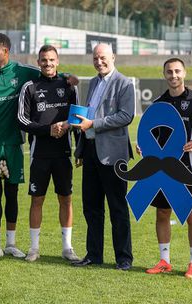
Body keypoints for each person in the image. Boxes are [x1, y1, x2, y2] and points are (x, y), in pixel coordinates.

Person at [0, 33, 77, 260]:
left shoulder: (24, 73)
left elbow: (49, 74)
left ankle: (11, 244)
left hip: (15, 144)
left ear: (5, 51)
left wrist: (68, 77)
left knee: (12, 193)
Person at [143, 58, 192, 279]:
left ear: (184, 73)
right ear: (164, 74)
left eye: (177, 71)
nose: (173, 75)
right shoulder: (158, 103)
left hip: (188, 167)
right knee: (162, 213)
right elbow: (150, 132)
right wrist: (144, 147)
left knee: (191, 214)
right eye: (169, 72)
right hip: (162, 168)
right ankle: (164, 260)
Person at [71, 43, 134, 270]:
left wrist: (94, 125)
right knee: (91, 207)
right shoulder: (94, 82)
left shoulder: (125, 83)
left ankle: (124, 258)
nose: (99, 62)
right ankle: (94, 254)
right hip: (90, 153)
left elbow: (126, 116)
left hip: (113, 156)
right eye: (96, 58)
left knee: (117, 207)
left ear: (113, 57)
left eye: (103, 57)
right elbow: (87, 117)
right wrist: (80, 150)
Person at [17, 45, 80, 262]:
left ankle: (67, 247)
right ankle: (34, 248)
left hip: (63, 154)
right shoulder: (30, 87)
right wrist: (47, 130)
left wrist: (76, 143)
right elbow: (22, 120)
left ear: (58, 61)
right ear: (38, 62)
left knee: (66, 199)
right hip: (39, 154)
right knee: (37, 200)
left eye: (52, 60)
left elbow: (78, 118)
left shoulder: (69, 86)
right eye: (44, 60)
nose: (48, 64)